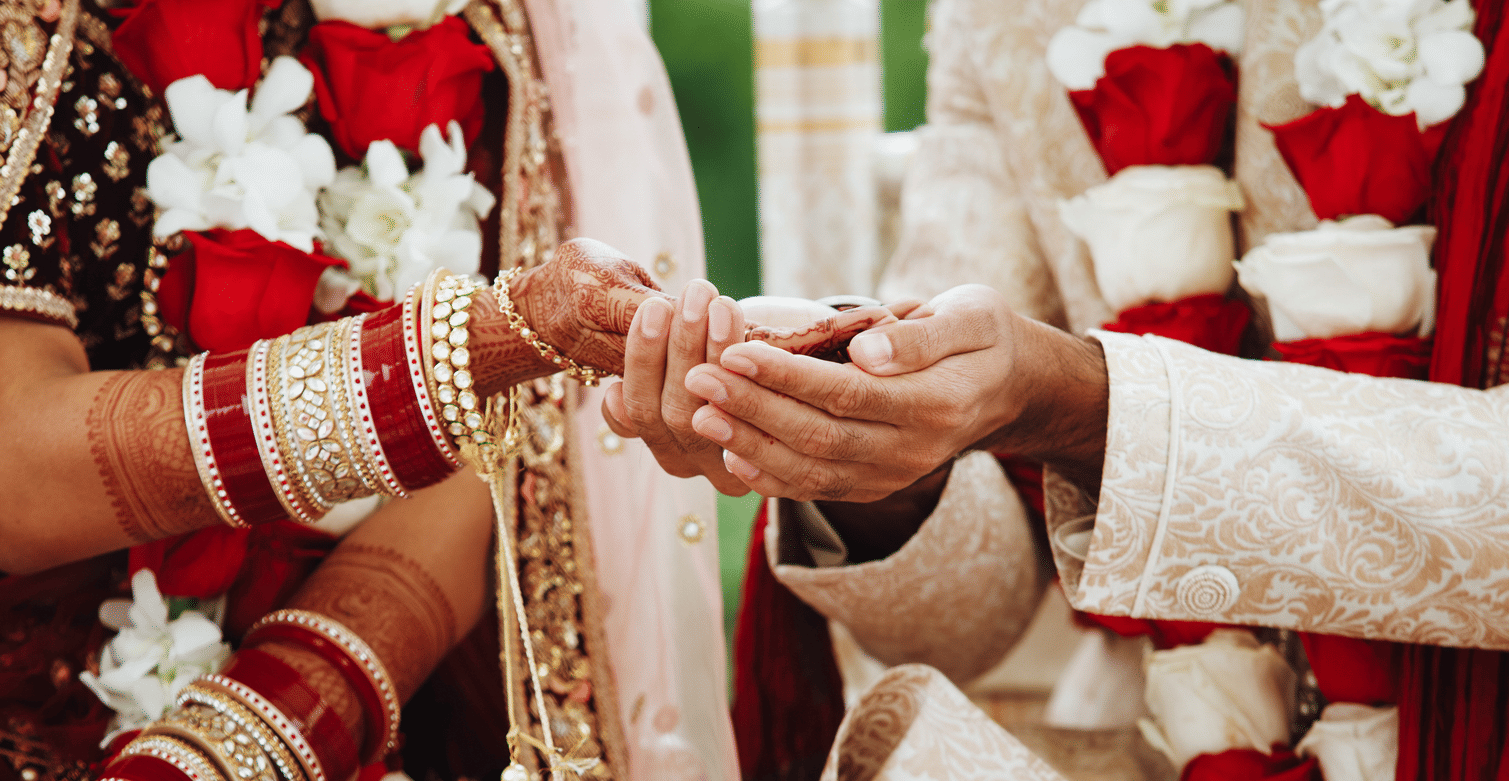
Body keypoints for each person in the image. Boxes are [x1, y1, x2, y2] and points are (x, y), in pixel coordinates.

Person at [0, 0, 857, 778]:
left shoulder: (463, 28)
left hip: (331, 714)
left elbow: (481, 464)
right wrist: (490, 338)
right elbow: (15, 473)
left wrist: (248, 737)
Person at [612, 0, 1509, 778]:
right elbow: (969, 614)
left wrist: (1090, 408)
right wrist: (869, 457)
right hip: (1162, 736)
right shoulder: (1006, 17)